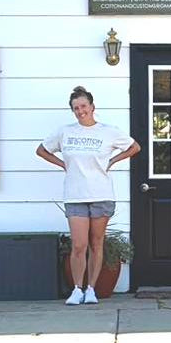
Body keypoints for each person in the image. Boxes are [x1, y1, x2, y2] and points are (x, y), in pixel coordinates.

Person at [36, 86, 140, 306]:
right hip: (75, 195)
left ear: (92, 106)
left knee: (96, 243)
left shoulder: (108, 131)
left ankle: (91, 288)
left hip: (101, 194)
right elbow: (42, 150)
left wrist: (113, 161)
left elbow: (134, 147)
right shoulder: (65, 132)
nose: (80, 111)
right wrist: (63, 164)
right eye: (76, 108)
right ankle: (77, 289)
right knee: (78, 245)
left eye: (83, 106)